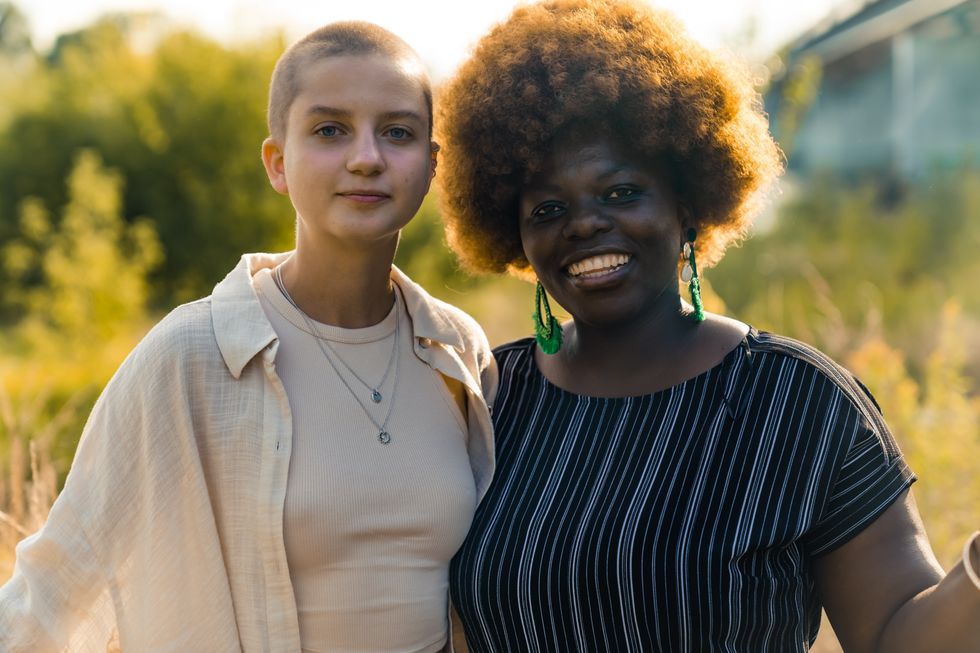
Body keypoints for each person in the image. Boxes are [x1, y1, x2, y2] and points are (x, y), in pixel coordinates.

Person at [435, 0, 980, 651]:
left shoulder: (794, 402)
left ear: (688, 203)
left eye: (620, 193)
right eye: (549, 207)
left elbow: (898, 632)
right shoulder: (486, 404)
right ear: (515, 235)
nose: (583, 224)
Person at [0, 21, 495, 652]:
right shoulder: (192, 356)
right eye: (330, 130)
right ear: (278, 164)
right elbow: (55, 585)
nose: (366, 156)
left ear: (430, 167)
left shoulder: (458, 352)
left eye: (396, 131)